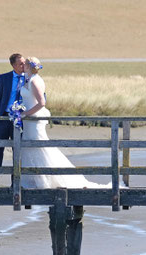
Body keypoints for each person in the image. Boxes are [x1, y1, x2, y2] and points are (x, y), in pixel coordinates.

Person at [18, 56, 109, 189]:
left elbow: (42, 103)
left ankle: (47, 180)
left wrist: (26, 113)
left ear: (28, 66)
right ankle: (34, 180)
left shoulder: (34, 81)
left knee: (38, 146)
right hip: (29, 121)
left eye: (24, 64)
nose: (23, 67)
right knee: (30, 146)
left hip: (33, 120)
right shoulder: (30, 79)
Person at [0, 53, 27, 188]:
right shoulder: (4, 78)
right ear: (13, 65)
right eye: (20, 64)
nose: (23, 66)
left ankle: (16, 182)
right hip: (4, 117)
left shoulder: (29, 78)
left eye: (24, 63)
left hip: (20, 120)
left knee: (18, 151)